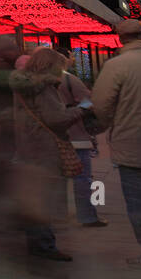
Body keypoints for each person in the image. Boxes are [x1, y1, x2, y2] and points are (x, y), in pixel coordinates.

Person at [10, 48, 84, 261]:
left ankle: (37, 242)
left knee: (35, 198)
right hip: (44, 148)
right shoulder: (45, 88)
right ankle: (44, 245)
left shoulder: (23, 86)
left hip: (27, 147)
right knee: (44, 200)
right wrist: (82, 109)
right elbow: (56, 119)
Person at [92, 19, 141, 268]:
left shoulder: (116, 66)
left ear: (119, 38)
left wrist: (111, 124)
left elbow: (101, 107)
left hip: (133, 145)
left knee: (139, 203)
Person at [57, 50, 106, 227]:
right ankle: (88, 216)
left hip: (53, 136)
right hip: (76, 134)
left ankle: (58, 215)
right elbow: (88, 102)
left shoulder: (38, 81)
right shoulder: (69, 79)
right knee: (82, 177)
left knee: (58, 178)